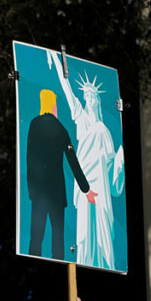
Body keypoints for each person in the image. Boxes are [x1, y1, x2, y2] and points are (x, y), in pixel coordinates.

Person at [49, 53, 125, 270]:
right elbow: (68, 91)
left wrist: (119, 164)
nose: (89, 100)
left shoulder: (105, 131)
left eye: (92, 97)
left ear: (98, 101)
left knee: (104, 233)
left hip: (100, 184)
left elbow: (113, 178)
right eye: (87, 97)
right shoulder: (81, 120)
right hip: (85, 186)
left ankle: (104, 261)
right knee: (85, 233)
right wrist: (57, 62)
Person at [27, 88, 96, 260]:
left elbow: (29, 158)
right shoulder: (61, 129)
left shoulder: (34, 124)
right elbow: (73, 161)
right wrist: (86, 190)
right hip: (57, 193)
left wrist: (32, 191)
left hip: (40, 192)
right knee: (58, 240)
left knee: (36, 238)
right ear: (52, 105)